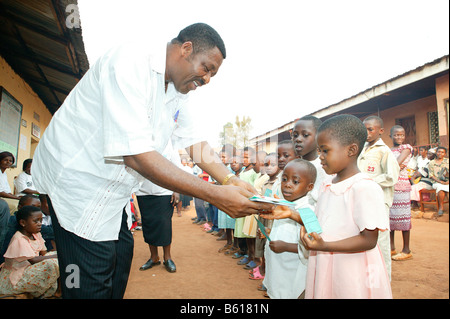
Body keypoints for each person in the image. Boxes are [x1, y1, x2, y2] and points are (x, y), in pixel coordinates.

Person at [31, 23, 273, 299]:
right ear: (186, 49)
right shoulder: (130, 62)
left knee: (118, 267)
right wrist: (216, 194)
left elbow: (194, 142)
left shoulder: (179, 93)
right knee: (87, 282)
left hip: (110, 198)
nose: (207, 80)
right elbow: (136, 155)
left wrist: (230, 179)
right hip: (76, 191)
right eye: (207, 69)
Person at [263, 114, 392, 299]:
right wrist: (293, 215)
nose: (320, 157)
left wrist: (325, 245)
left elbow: (369, 240)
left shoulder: (364, 187)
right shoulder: (327, 184)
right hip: (326, 262)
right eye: (319, 150)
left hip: (351, 268)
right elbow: (322, 222)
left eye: (325, 151)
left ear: (351, 150)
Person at [261, 159, 316, 299]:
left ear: (309, 187)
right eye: (284, 179)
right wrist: (270, 233)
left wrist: (285, 246)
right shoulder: (283, 204)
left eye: (295, 182)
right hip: (278, 269)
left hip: (293, 272)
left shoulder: (308, 210)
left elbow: (314, 244)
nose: (287, 185)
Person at [358, 115, 400, 279]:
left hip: (379, 202)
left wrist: (369, 181)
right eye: (364, 129)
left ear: (381, 131)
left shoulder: (384, 151)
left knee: (380, 242)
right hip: (363, 200)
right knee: (364, 239)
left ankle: (384, 280)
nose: (367, 133)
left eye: (370, 129)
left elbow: (392, 176)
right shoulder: (362, 149)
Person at [0, 205, 59, 298]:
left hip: (28, 270)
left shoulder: (36, 234)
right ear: (23, 223)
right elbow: (33, 260)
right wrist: (55, 257)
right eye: (36, 221)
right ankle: (51, 292)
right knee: (52, 263)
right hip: (17, 277)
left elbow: (44, 253)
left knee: (60, 257)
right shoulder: (19, 239)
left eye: (41, 220)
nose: (40, 224)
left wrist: (55, 256)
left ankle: (61, 290)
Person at [250, 152, 279, 282]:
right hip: (263, 216)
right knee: (261, 243)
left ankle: (267, 274)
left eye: (273, 164)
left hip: (272, 219)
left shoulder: (279, 183)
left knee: (269, 243)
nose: (269, 167)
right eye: (266, 164)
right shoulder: (266, 182)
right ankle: (263, 267)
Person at [389, 125, 414, 261]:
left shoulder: (406, 148)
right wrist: (394, 165)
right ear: (390, 135)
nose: (399, 137)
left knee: (403, 218)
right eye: (396, 135)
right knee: (390, 218)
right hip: (389, 186)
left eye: (402, 135)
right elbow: (393, 165)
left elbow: (395, 163)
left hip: (402, 186)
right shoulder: (388, 150)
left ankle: (406, 249)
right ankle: (391, 247)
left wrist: (393, 164)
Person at [234, 147, 259, 270]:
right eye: (242, 157)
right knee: (244, 233)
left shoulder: (254, 173)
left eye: (246, 157)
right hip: (242, 204)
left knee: (251, 234)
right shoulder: (243, 171)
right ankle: (248, 255)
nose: (243, 160)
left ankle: (254, 257)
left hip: (251, 206)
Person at [428, 146, 449, 216]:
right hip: (436, 182)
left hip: (447, 181)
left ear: (445, 154)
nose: (440, 153)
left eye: (442, 152)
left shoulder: (447, 161)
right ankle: (441, 207)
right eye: (439, 152)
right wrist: (441, 182)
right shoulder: (431, 163)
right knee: (441, 189)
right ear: (436, 153)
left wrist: (447, 182)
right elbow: (431, 175)